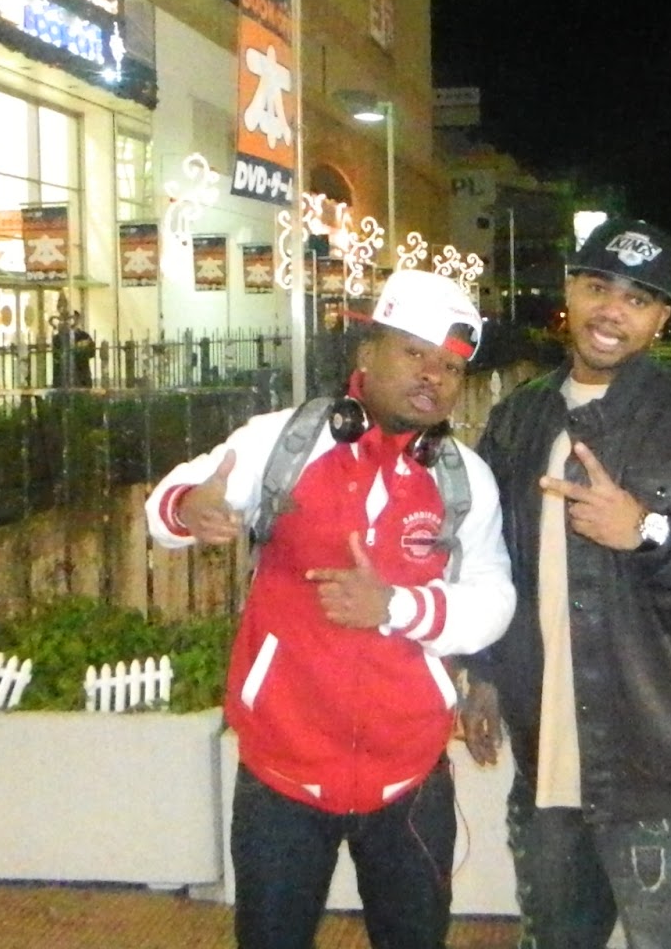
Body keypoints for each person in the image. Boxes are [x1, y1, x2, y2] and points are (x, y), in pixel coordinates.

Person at [144, 269, 515, 949]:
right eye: (414, 353)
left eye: (450, 366)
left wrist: (397, 606)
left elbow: (493, 599)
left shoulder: (465, 479)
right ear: (367, 354)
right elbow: (175, 499)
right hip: (281, 774)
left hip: (411, 777)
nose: (433, 376)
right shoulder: (281, 441)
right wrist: (189, 507)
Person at [459, 216, 671, 949]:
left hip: (660, 763)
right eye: (598, 287)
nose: (611, 311)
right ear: (570, 290)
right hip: (546, 761)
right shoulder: (518, 418)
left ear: (662, 317)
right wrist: (483, 672)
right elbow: (491, 560)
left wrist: (649, 533)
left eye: (637, 299)